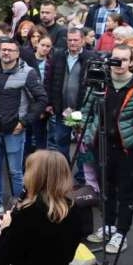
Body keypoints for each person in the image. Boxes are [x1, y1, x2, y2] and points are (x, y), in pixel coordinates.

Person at [0, 39, 48, 220]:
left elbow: (41, 99)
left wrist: (24, 122)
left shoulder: (28, 73)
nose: (6, 53)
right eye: (3, 49)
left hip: (13, 131)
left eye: (10, 50)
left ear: (18, 54)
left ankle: (19, 208)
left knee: (15, 172)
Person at [80, 43, 133, 253]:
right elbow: (86, 110)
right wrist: (86, 133)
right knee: (106, 189)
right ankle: (109, 226)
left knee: (126, 193)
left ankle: (121, 233)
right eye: (115, 59)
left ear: (131, 62)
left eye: (124, 60)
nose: (119, 64)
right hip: (101, 145)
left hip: (127, 149)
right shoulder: (100, 81)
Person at [43, 27, 92, 170]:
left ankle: (82, 176)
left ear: (82, 41)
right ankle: (64, 171)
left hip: (81, 110)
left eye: (76, 40)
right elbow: (49, 80)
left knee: (83, 144)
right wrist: (49, 102)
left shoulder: (91, 57)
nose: (72, 43)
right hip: (63, 109)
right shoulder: (58, 55)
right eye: (70, 40)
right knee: (61, 140)